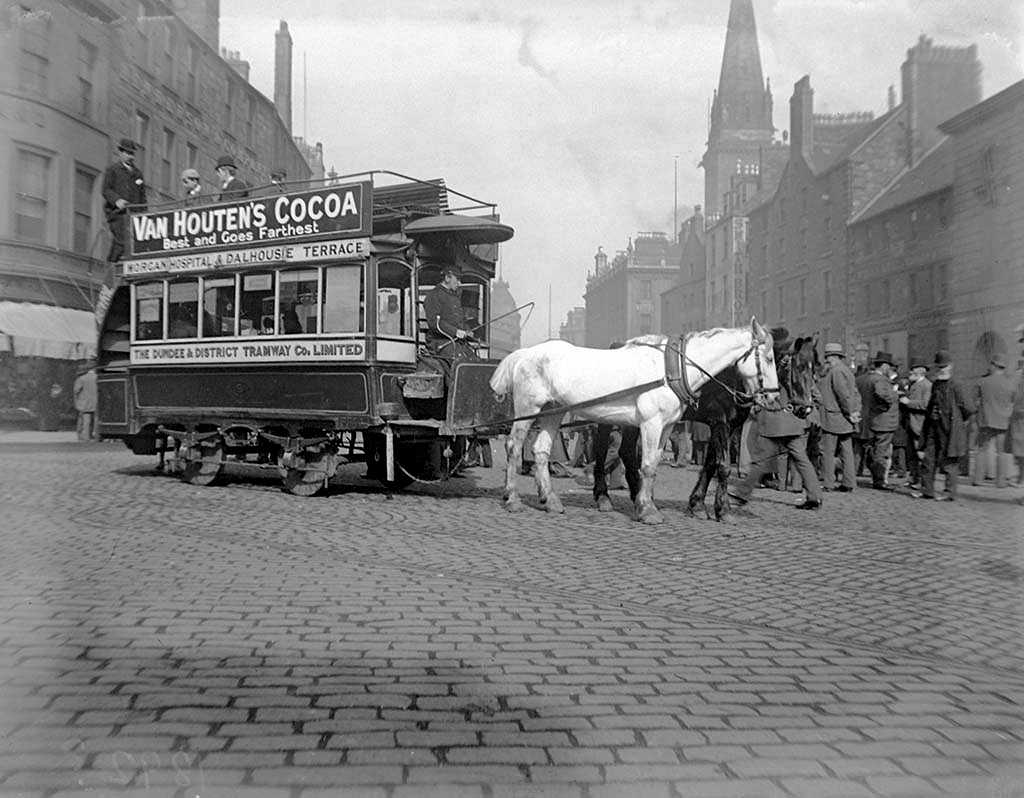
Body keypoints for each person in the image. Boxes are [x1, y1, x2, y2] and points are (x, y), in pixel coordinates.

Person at [729, 331, 823, 510]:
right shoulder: (802, 366)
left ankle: (743, 493)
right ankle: (815, 496)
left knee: (760, 459)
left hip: (775, 419)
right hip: (794, 420)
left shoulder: (780, 364)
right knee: (801, 459)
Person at [913, 351, 976, 501]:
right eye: (939, 367)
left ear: (951, 366)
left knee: (949, 461)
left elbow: (969, 407)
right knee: (929, 459)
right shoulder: (936, 384)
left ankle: (949, 492)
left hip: (950, 428)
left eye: (944, 366)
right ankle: (927, 490)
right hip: (933, 426)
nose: (941, 369)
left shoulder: (957, 384)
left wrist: (959, 422)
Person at [817, 342, 861, 493]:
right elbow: (855, 393)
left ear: (834, 357)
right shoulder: (847, 371)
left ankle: (828, 482)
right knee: (846, 450)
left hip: (834, 416)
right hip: (845, 417)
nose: (826, 360)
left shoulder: (835, 371)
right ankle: (849, 483)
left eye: (828, 357)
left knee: (827, 450)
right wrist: (855, 412)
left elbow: (843, 394)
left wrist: (850, 411)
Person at [972, 353, 1014, 487]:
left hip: (985, 420)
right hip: (1003, 421)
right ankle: (1001, 482)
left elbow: (974, 401)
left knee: (981, 450)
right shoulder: (1010, 384)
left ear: (994, 365)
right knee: (1001, 452)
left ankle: (978, 479)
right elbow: (1013, 402)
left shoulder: (982, 382)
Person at [101, 138, 146, 262]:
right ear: (121, 153)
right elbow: (106, 190)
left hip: (134, 215)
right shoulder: (112, 170)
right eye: (127, 153)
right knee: (122, 240)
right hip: (118, 214)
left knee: (132, 244)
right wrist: (117, 201)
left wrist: (144, 214)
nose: (130, 156)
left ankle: (115, 266)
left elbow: (143, 197)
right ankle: (111, 265)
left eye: (132, 154)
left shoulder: (138, 174)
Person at [860, 350, 899, 490]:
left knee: (874, 449)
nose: (890, 369)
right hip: (884, 422)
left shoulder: (865, 378)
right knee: (881, 452)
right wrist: (893, 398)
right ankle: (879, 480)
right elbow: (881, 393)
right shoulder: (881, 380)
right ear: (884, 366)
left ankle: (875, 475)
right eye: (889, 366)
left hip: (872, 419)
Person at [899, 359, 932, 489]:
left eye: (912, 371)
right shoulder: (914, 384)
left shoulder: (926, 385)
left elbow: (925, 404)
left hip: (919, 424)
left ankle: (923, 482)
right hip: (910, 423)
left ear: (919, 372)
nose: (909, 373)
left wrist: (908, 402)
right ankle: (914, 478)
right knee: (911, 454)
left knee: (920, 454)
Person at [73, 364, 98, 441]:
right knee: (95, 420)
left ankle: (85, 437)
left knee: (86, 420)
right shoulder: (97, 377)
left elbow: (76, 390)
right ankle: (94, 435)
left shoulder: (82, 379)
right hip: (96, 402)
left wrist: (76, 401)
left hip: (85, 402)